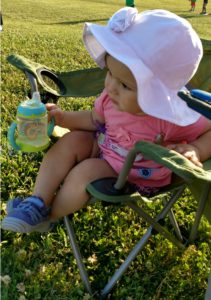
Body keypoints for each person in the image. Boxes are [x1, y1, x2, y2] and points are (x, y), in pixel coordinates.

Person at [2, 7, 211, 233]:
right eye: (110, 73)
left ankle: (49, 217)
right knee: (71, 141)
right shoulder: (111, 99)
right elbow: (93, 120)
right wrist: (63, 118)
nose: (111, 87)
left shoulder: (174, 117)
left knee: (87, 170)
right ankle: (37, 202)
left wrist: (196, 149)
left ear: (158, 94)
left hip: (134, 173)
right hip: (106, 145)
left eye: (125, 85)